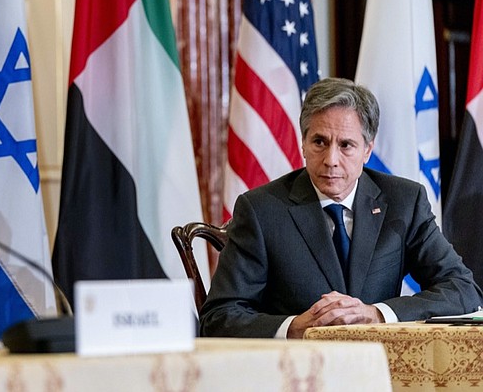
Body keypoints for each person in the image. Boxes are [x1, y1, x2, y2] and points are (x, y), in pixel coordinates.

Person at [200, 77, 483, 339]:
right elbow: (219, 317)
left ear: (367, 150)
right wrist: (292, 327)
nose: (331, 159)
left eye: (346, 145)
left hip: (381, 372)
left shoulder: (404, 202)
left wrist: (378, 314)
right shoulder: (261, 210)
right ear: (303, 144)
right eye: (319, 142)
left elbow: (462, 289)